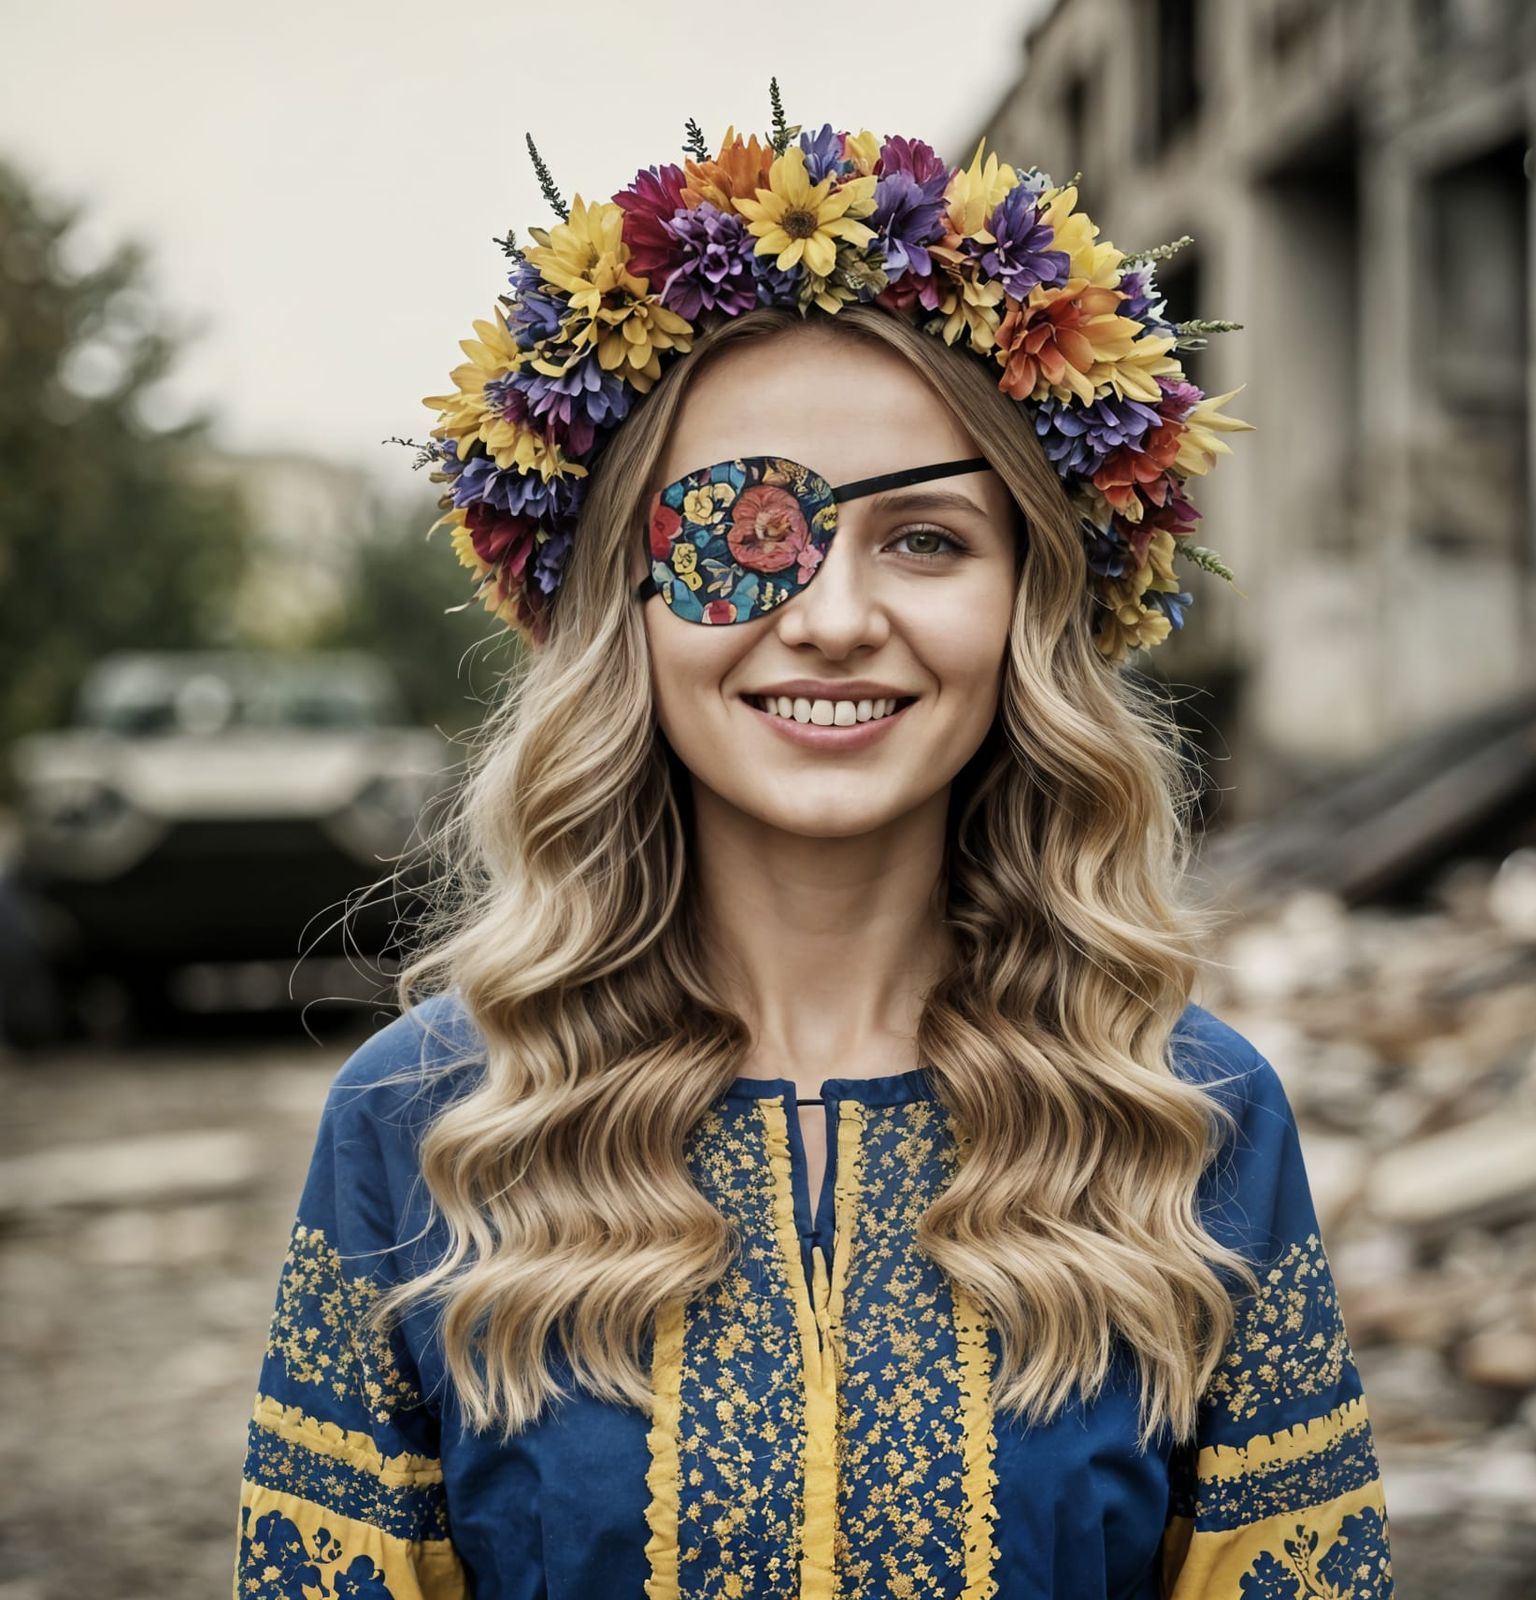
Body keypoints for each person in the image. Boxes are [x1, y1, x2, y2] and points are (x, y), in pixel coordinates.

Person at [232, 105, 1393, 1600]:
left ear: (1028, 610)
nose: (837, 617)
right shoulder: (424, 1122)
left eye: (925, 540)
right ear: (625, 607)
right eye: (741, 530)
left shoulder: (1187, 1116)